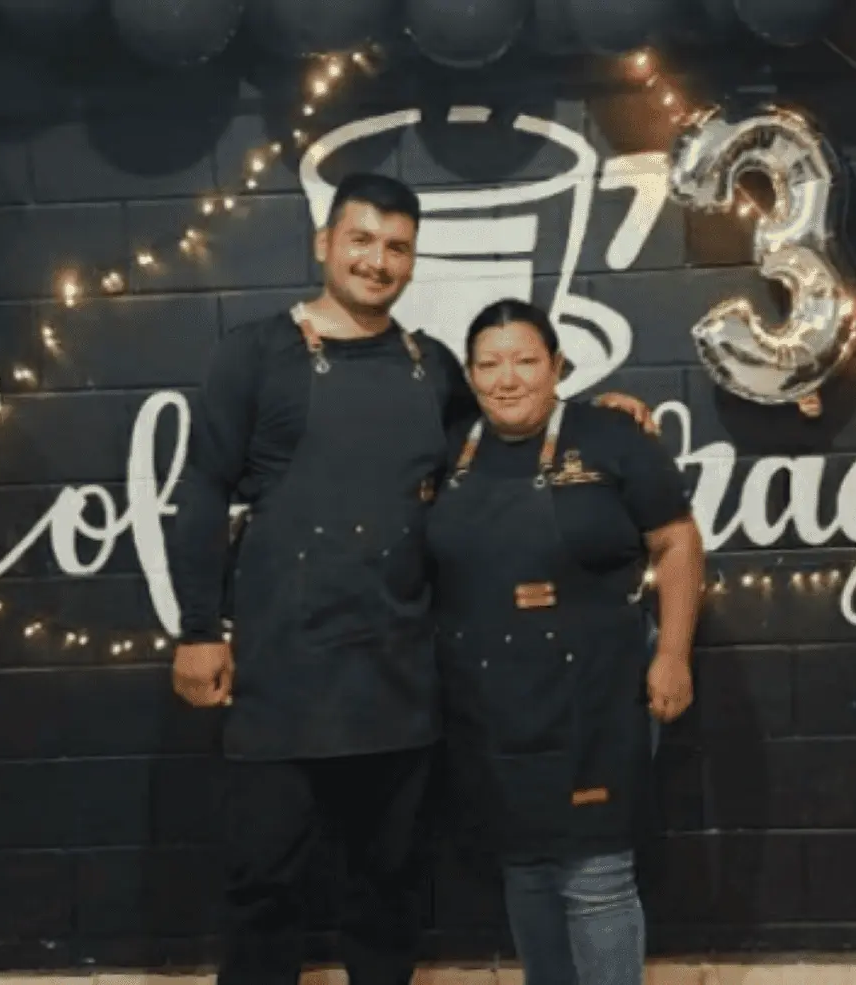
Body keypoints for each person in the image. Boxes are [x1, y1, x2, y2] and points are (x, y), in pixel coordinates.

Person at [168, 172, 655, 985]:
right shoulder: (252, 353)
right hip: (281, 674)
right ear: (324, 243)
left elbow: (510, 426)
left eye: (397, 246)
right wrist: (196, 629)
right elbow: (201, 493)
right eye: (361, 239)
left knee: (387, 891)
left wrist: (595, 416)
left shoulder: (430, 367)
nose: (377, 260)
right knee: (262, 888)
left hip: (398, 676)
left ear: (412, 261)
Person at [425, 299, 705, 985]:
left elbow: (676, 542)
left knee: (595, 874)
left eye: (525, 359)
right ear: (469, 373)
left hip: (599, 691)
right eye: (489, 363)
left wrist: (672, 654)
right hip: (486, 695)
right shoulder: (444, 446)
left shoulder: (612, 434)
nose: (508, 377)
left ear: (557, 365)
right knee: (524, 866)